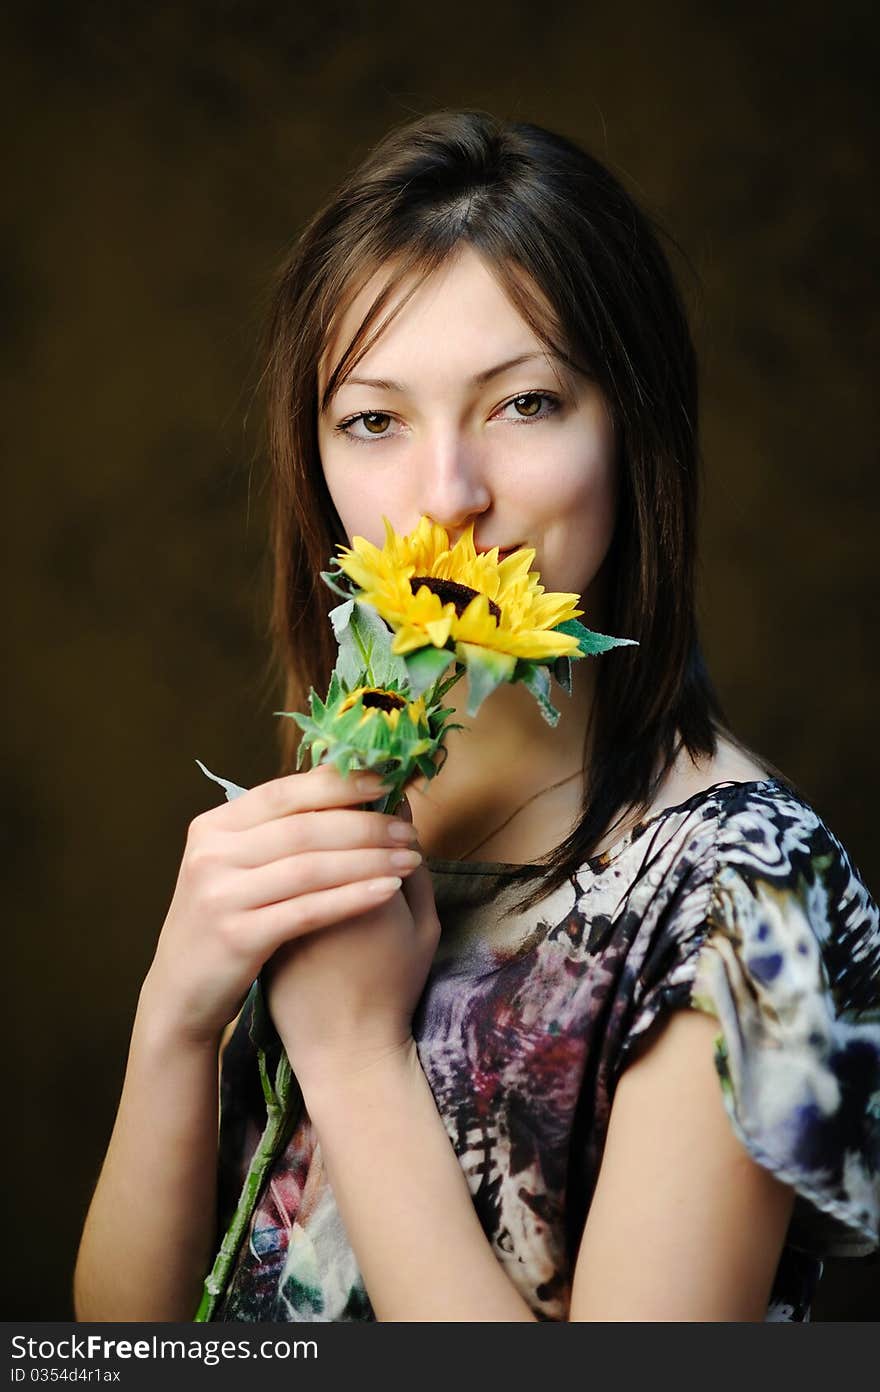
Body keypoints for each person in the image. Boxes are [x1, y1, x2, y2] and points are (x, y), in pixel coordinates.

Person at [73, 108, 880, 1323]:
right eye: (374, 420)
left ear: (635, 429)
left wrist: (349, 1057)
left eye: (526, 404)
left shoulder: (752, 898)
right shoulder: (354, 784)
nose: (445, 499)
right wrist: (174, 1017)